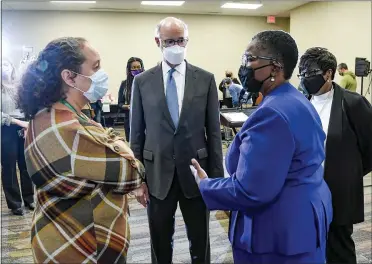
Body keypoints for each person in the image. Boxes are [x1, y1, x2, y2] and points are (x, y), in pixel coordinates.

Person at [190, 30, 333, 264]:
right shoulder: (298, 100)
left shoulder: (272, 114)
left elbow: (251, 191)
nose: (243, 66)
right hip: (303, 221)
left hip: (276, 230)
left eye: (250, 59)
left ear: (275, 67)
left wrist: (206, 184)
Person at [17, 37, 145, 263]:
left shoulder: (47, 115)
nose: (101, 73)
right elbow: (132, 172)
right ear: (69, 77)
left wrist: (108, 142)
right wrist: (115, 143)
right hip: (81, 246)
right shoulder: (69, 129)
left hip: (62, 234)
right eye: (95, 67)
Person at [130, 17, 224, 264]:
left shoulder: (205, 79)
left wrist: (216, 181)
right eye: (170, 41)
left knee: (200, 240)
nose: (176, 46)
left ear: (187, 41)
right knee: (160, 241)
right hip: (157, 174)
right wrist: (137, 180)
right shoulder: (142, 82)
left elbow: (214, 133)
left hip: (197, 174)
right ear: (157, 42)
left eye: (180, 40)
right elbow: (136, 136)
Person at [299, 47, 372, 264]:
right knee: (310, 243)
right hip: (307, 188)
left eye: (309, 73)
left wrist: (348, 171)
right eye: (301, 73)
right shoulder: (303, 101)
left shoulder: (352, 103)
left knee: (339, 246)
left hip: (337, 188)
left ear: (329, 73)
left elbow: (369, 149)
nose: (304, 79)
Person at [1, 58, 35, 216]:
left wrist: (27, 124)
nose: (4, 67)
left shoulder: (18, 87)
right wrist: (16, 122)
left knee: (26, 164)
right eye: (1, 65)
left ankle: (30, 199)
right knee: (9, 166)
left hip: (24, 128)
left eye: (6, 64)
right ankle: (15, 203)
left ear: (12, 67)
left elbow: (27, 106)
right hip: (6, 129)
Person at [118, 57, 144, 141]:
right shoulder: (124, 84)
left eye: (138, 67)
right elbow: (120, 103)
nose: (137, 69)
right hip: (130, 119)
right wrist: (127, 106)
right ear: (129, 69)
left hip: (145, 118)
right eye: (134, 67)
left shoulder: (146, 82)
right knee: (132, 143)